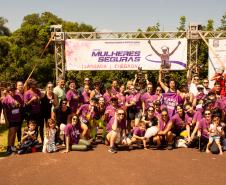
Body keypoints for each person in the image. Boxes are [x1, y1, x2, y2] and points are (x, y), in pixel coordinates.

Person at [2, 85, 23, 155]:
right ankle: (9, 147)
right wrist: (6, 120)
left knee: (13, 133)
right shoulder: (6, 99)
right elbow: (4, 111)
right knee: (12, 133)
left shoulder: (17, 97)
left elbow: (21, 105)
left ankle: (12, 146)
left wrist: (18, 104)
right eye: (11, 90)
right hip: (10, 119)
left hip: (17, 118)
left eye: (13, 90)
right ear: (8, 92)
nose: (12, 92)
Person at [24, 78, 44, 143]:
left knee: (37, 127)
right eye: (34, 84)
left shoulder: (37, 91)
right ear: (30, 85)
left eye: (36, 84)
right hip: (31, 113)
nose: (35, 85)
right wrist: (32, 100)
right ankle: (29, 141)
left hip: (38, 112)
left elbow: (41, 97)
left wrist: (38, 98)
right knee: (31, 127)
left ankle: (35, 141)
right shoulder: (27, 93)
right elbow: (26, 104)